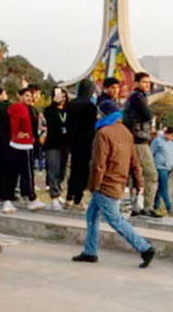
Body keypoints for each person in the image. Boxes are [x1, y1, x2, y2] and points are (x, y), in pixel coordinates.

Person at [72, 100, 156, 268]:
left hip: (105, 184)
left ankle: (145, 248)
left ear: (104, 114)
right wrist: (139, 182)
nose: (97, 116)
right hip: (118, 182)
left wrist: (94, 186)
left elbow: (99, 165)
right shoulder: (126, 132)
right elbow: (135, 162)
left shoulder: (102, 133)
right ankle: (90, 251)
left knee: (116, 220)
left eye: (99, 113)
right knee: (92, 216)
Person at [4, 88, 46, 213]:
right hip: (24, 145)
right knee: (27, 173)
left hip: (18, 144)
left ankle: (9, 200)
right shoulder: (21, 108)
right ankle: (31, 199)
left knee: (13, 174)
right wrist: (19, 134)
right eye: (27, 95)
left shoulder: (24, 108)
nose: (29, 98)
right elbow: (16, 124)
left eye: (30, 96)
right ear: (19, 96)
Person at [124, 72, 160, 217]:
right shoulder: (138, 97)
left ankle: (136, 206)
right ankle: (147, 207)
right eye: (144, 82)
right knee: (151, 174)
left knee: (136, 174)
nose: (147, 85)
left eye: (148, 82)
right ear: (137, 83)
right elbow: (147, 115)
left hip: (134, 139)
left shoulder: (135, 98)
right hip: (139, 140)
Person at [67, 80, 97, 210]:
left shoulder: (72, 104)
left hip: (73, 142)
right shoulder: (90, 106)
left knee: (73, 169)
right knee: (82, 171)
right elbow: (91, 126)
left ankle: (69, 196)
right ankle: (77, 199)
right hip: (86, 142)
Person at [43, 86, 70, 210]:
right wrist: (54, 103)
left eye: (64, 96)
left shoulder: (69, 111)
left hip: (65, 145)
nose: (62, 98)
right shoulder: (50, 110)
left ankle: (58, 192)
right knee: (53, 170)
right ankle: (54, 196)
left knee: (62, 171)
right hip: (52, 145)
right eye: (59, 96)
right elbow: (48, 115)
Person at [151, 127, 173, 216]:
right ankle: (169, 206)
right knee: (164, 188)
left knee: (160, 188)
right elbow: (151, 153)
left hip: (168, 167)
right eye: (171, 135)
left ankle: (156, 205)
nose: (171, 137)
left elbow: (171, 157)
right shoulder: (157, 141)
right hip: (160, 167)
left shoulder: (172, 144)